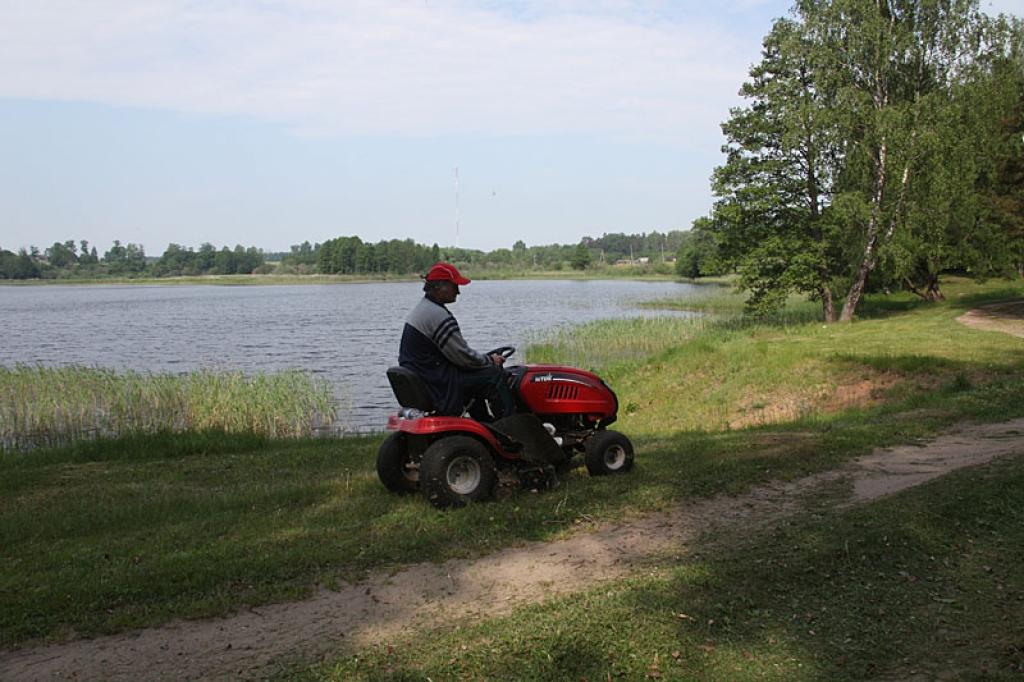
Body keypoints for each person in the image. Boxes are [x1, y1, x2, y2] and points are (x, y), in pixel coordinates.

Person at [399, 262, 515, 419]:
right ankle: (512, 426)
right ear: (438, 287)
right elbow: (463, 357)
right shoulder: (437, 316)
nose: (458, 292)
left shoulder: (424, 308)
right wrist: (490, 360)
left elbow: (459, 356)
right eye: (454, 286)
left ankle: (485, 423)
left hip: (427, 376)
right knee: (494, 376)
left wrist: (483, 360)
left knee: (479, 375)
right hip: (437, 382)